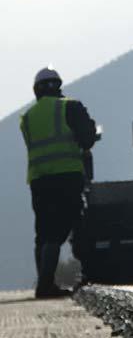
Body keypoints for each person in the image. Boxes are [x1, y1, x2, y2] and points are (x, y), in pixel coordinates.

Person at [19, 67, 97, 298]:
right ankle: (77, 278)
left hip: (39, 180)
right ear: (59, 86)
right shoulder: (70, 107)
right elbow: (88, 139)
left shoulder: (27, 118)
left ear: (36, 91)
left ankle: (46, 282)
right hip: (68, 176)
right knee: (71, 225)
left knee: (43, 231)